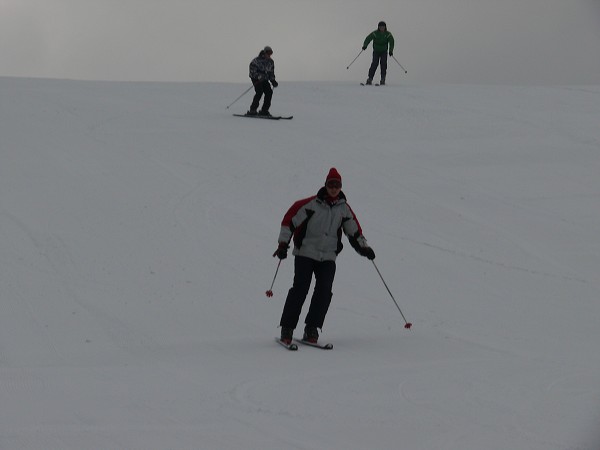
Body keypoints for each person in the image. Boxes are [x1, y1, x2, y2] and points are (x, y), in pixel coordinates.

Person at [273, 168, 376, 345]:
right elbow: (289, 221)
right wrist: (283, 244)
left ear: (341, 187)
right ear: (326, 185)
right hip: (305, 253)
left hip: (328, 256)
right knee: (300, 289)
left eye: (337, 185)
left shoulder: (344, 209)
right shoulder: (311, 204)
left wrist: (364, 248)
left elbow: (354, 232)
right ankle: (287, 328)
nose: (334, 188)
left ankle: (312, 328)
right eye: (331, 185)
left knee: (324, 291)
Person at [247, 46, 278, 116]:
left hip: (264, 79)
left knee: (269, 92)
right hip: (256, 79)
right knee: (259, 92)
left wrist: (273, 81)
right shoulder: (256, 60)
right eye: (268, 53)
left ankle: (264, 110)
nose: (269, 55)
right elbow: (252, 71)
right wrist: (258, 76)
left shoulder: (271, 62)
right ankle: (252, 110)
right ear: (264, 53)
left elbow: (271, 72)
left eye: (271, 53)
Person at [362, 21, 395, 85]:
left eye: (383, 27)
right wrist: (365, 45)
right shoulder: (375, 33)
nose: (382, 28)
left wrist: (391, 51)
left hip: (384, 51)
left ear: (385, 27)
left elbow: (392, 42)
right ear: (378, 27)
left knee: (383, 64)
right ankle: (370, 78)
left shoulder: (388, 34)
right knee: (374, 64)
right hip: (376, 51)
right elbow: (368, 38)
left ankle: (383, 79)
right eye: (380, 27)